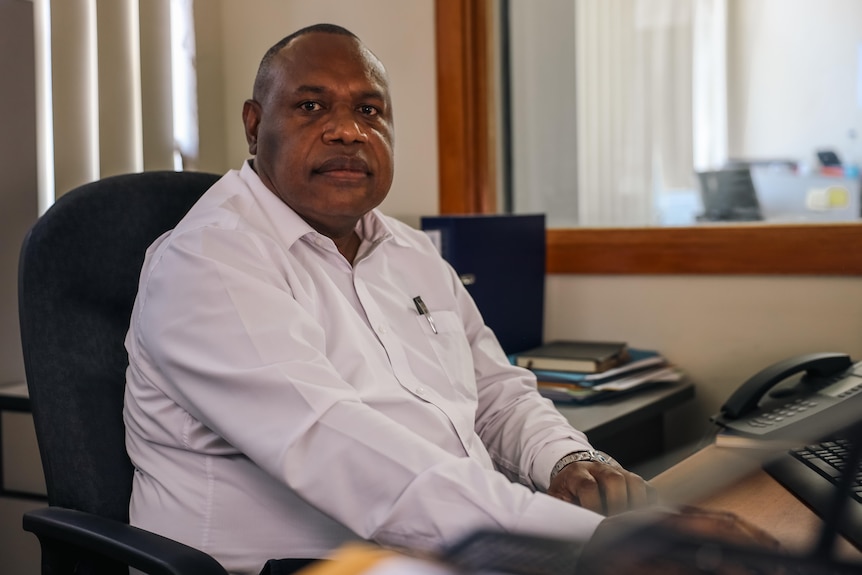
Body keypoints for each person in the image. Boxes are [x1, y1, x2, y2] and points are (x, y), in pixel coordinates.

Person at [123, 23, 778, 575]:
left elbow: (497, 389)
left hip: (446, 541)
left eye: (369, 110)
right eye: (312, 107)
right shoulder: (208, 261)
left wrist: (566, 460)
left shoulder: (409, 251)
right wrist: (595, 539)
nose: (348, 131)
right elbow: (338, 448)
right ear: (253, 123)